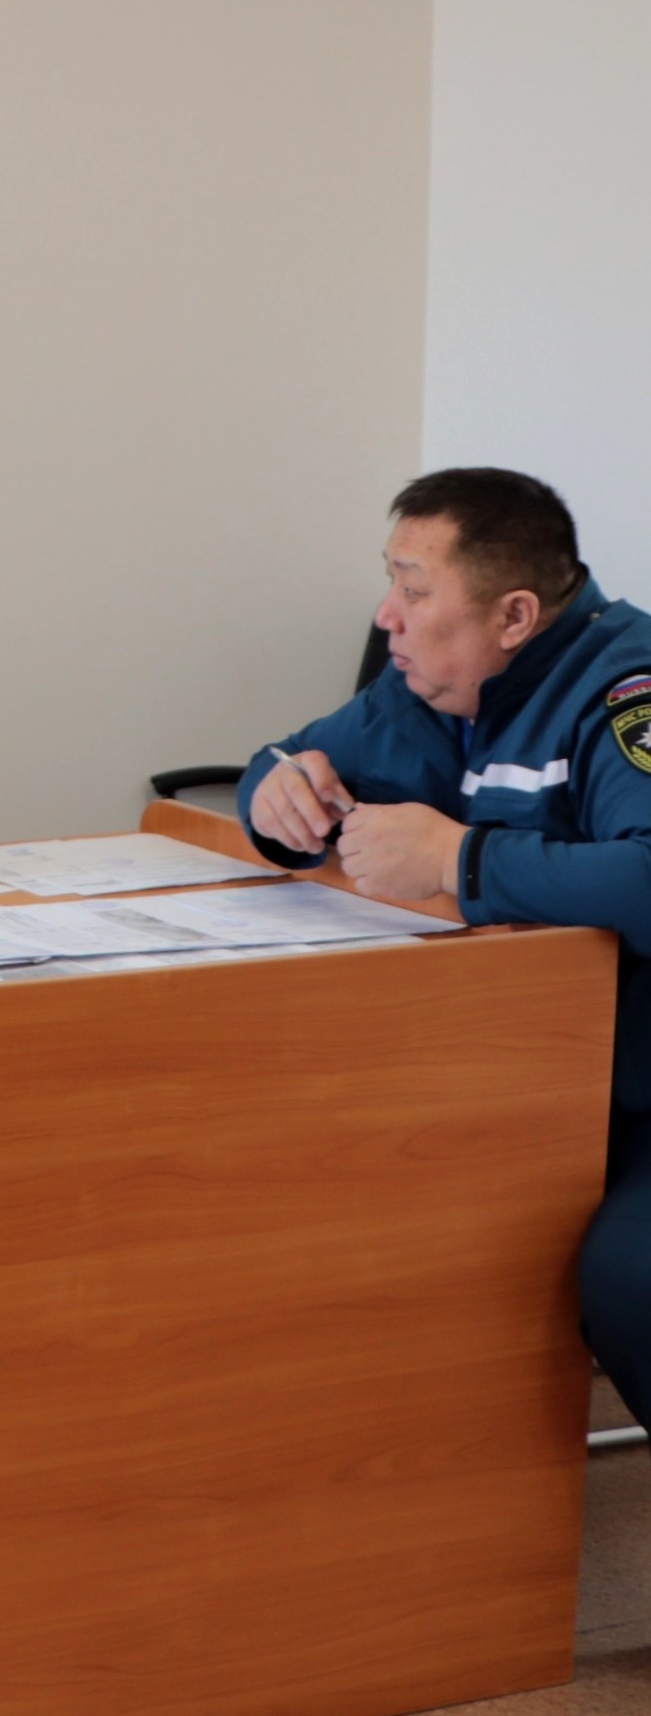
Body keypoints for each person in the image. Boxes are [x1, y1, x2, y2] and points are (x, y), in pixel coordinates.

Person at [236, 468, 651, 1417]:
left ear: (514, 616)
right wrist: (274, 795)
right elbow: (288, 756)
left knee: (633, 1276)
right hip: (505, 1074)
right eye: (390, 581)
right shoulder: (428, 686)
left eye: (415, 590)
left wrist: (460, 860)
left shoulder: (626, 689)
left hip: (628, 1092)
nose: (386, 615)